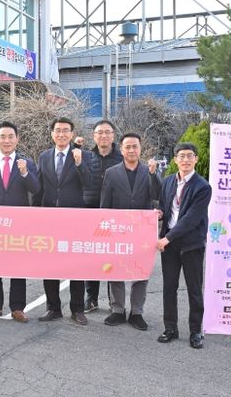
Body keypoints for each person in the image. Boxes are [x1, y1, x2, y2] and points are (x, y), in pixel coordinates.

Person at [0, 121, 40, 323]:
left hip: (18, 224)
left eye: (10, 136)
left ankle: (18, 307)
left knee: (17, 265)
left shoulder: (26, 163)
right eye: (2, 137)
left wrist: (24, 173)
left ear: (17, 139)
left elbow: (36, 189)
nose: (6, 140)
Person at [34, 117, 92, 325]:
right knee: (49, 265)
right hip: (49, 218)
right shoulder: (44, 156)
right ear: (52, 134)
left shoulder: (83, 155)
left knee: (75, 264)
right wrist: (34, 214)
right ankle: (53, 308)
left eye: (66, 130)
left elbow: (89, 182)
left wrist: (79, 163)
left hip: (74, 218)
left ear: (72, 134)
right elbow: (39, 186)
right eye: (58, 130)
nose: (61, 134)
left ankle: (77, 309)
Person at [100, 132, 160, 331]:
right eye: (128, 147)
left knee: (141, 271)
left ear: (140, 149)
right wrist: (104, 227)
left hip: (142, 232)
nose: (131, 150)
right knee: (115, 269)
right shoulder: (111, 172)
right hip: (117, 230)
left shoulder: (149, 171)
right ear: (121, 149)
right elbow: (105, 203)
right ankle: (118, 309)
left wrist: (153, 175)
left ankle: (137, 312)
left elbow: (157, 196)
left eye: (135, 146)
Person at [156, 143, 212, 349]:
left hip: (191, 244)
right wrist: (159, 213)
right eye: (181, 156)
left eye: (189, 156)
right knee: (169, 288)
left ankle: (196, 331)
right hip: (169, 246)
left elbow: (191, 219)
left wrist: (167, 238)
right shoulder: (167, 181)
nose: (185, 160)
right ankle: (170, 328)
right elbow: (165, 206)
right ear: (175, 160)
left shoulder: (203, 187)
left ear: (196, 159)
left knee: (194, 289)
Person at [82, 119, 124, 313]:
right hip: (90, 214)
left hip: (114, 215)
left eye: (107, 132)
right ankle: (91, 299)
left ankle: (114, 302)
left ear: (113, 136)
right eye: (100, 132)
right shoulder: (86, 157)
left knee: (111, 259)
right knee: (91, 258)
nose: (104, 136)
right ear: (94, 136)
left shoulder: (122, 158)